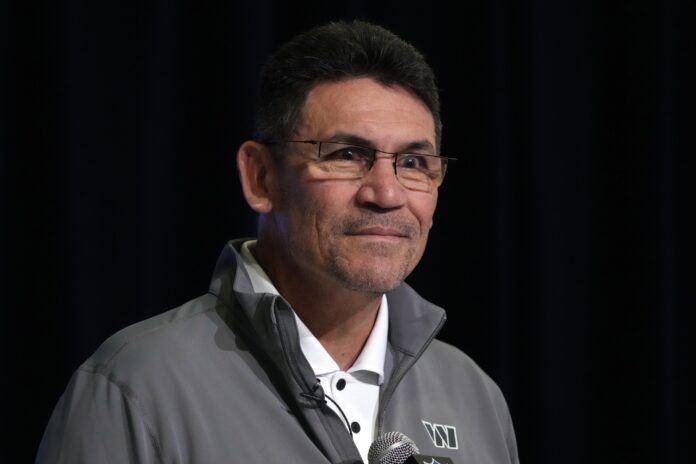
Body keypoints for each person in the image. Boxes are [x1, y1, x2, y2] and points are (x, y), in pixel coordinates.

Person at [36, 20, 519, 464]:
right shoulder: (135, 389)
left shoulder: (474, 397)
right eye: (347, 154)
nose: (387, 193)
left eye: (413, 163)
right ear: (261, 177)